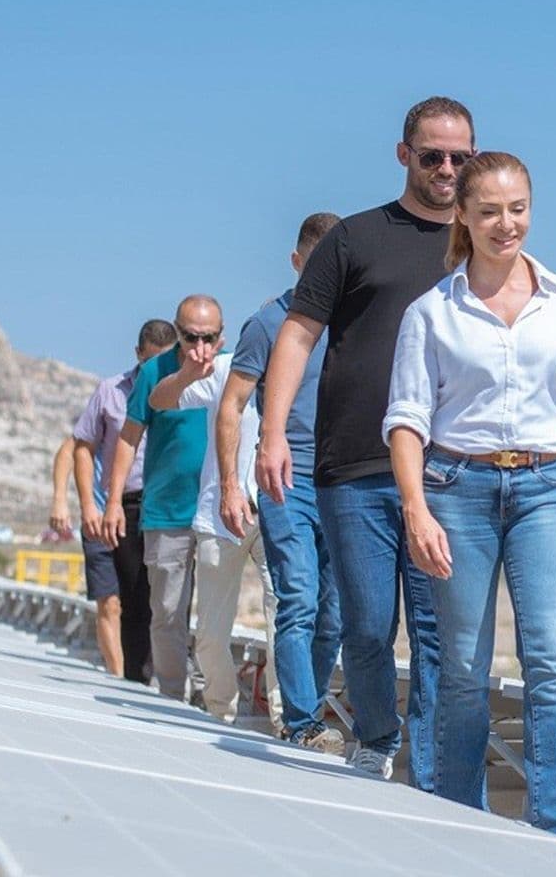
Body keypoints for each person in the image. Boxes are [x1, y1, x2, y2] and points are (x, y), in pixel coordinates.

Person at [385, 152, 556, 839]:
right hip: (455, 489)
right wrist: (416, 508)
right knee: (462, 668)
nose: (505, 223)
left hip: (550, 488)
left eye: (517, 208)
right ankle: (464, 827)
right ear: (462, 214)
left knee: (551, 655)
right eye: (489, 210)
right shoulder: (432, 313)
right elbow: (406, 420)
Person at [255, 96, 473, 783]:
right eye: (433, 155)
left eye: (459, 158)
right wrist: (271, 433)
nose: (446, 168)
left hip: (446, 473)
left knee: (440, 637)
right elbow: (298, 333)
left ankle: (432, 769)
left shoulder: (481, 249)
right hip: (351, 466)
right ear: (404, 154)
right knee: (369, 627)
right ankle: (376, 739)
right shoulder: (353, 238)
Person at [213, 213, 344, 749]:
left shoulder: (357, 323)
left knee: (334, 614)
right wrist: (229, 485)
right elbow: (231, 406)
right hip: (284, 479)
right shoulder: (267, 324)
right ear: (297, 263)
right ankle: (300, 720)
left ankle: (304, 710)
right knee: (298, 596)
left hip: (344, 482)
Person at [148, 339, 278, 726]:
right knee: (209, 633)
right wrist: (188, 373)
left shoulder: (303, 369)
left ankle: (288, 720)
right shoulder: (224, 369)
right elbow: (159, 400)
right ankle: (222, 711)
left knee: (286, 622)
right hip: (221, 518)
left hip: (279, 517)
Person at [102, 297, 214, 702]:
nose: (200, 345)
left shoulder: (234, 370)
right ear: (177, 332)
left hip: (217, 510)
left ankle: (212, 698)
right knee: (166, 611)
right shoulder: (153, 373)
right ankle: (172, 697)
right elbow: (128, 438)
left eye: (210, 337)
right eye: (190, 336)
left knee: (214, 615)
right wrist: (113, 500)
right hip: (167, 509)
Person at [67, 319, 177, 680]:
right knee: (122, 601)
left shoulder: (186, 392)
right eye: (150, 364)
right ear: (137, 355)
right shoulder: (110, 391)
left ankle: (159, 680)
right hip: (123, 505)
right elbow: (81, 448)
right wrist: (89, 506)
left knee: (161, 601)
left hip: (167, 504)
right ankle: (128, 680)